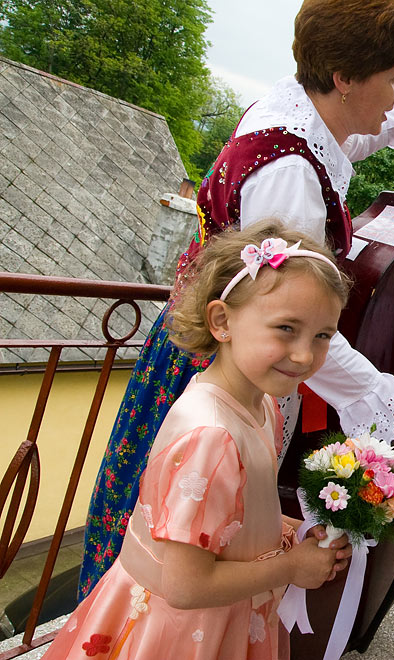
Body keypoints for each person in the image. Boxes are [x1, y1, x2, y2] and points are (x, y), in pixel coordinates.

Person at [80, 0, 394, 599]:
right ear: (343, 78)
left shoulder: (297, 110)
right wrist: (390, 397)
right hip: (222, 375)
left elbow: (352, 140)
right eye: (393, 79)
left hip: (214, 351)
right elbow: (293, 324)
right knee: (187, 543)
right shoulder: (289, 174)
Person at [46, 223, 354, 659]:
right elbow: (186, 586)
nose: (306, 355)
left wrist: (292, 531)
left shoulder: (258, 403)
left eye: (323, 335)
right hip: (183, 634)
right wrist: (290, 567)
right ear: (222, 321)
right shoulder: (212, 436)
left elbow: (226, 521)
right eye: (286, 328)